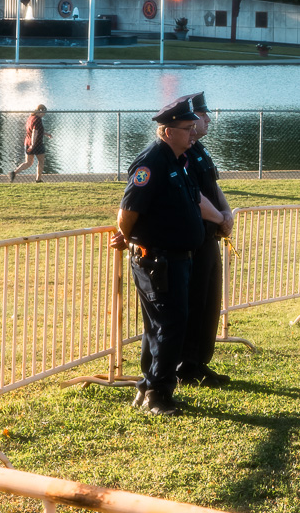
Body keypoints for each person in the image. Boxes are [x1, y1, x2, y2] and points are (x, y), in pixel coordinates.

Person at [110, 96, 220, 416]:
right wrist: (130, 237)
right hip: (158, 260)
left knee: (165, 326)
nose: (194, 133)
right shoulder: (153, 162)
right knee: (168, 325)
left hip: (178, 258)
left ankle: (149, 386)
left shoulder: (178, 159)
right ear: (168, 131)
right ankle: (158, 394)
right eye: (187, 128)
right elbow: (128, 211)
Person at [180, 93, 235, 387]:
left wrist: (226, 212)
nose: (208, 119)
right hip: (195, 236)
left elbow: (212, 187)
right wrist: (219, 218)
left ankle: (200, 362)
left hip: (209, 235)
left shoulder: (199, 150)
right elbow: (193, 195)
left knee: (208, 302)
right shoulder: (183, 152)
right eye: (203, 115)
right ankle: (186, 365)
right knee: (194, 301)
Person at [8, 104, 49, 183]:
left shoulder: (31, 117)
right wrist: (33, 145)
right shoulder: (38, 119)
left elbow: (35, 130)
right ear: (40, 111)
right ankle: (38, 179)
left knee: (28, 163)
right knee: (41, 161)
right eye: (44, 112)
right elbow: (35, 132)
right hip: (37, 144)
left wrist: (46, 134)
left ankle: (14, 173)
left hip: (27, 142)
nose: (44, 114)